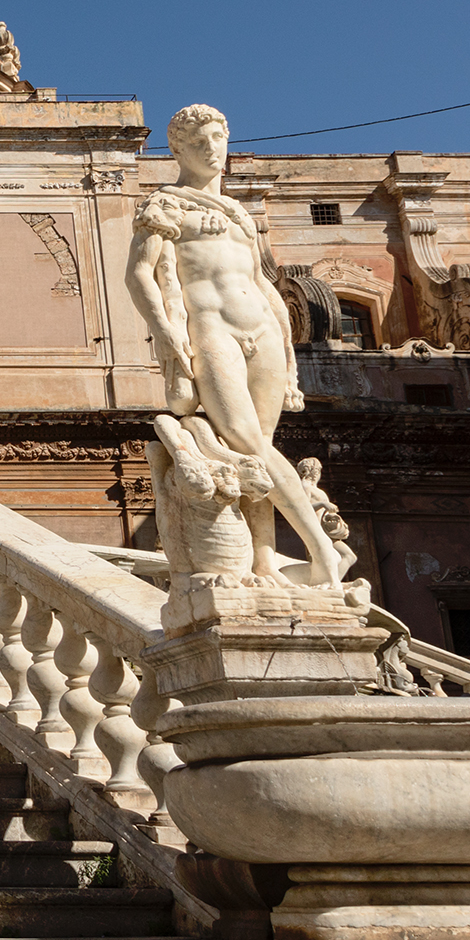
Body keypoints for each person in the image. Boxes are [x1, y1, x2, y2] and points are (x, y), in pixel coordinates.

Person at [125, 104, 340, 588]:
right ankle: (321, 549)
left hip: (262, 330)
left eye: (218, 138)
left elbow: (264, 283)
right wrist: (165, 331)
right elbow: (138, 275)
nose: (212, 149)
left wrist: (288, 351)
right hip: (210, 330)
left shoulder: (240, 212)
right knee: (249, 441)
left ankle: (263, 560)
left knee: (254, 457)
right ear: (176, 148)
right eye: (199, 142)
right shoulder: (166, 204)